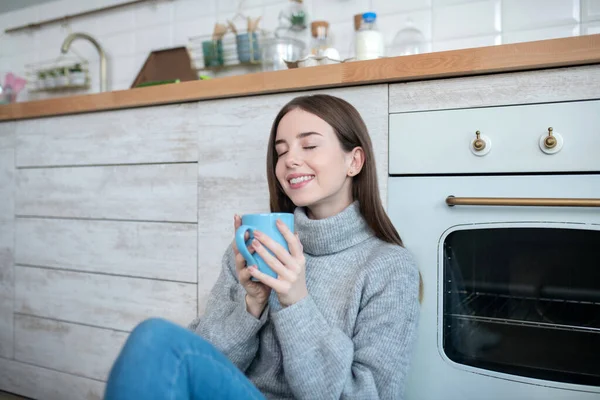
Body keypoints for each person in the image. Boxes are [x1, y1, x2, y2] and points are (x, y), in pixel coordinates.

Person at [104, 94, 422, 400]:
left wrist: (296, 301)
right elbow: (202, 363)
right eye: (281, 152)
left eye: (309, 145)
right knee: (157, 342)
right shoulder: (254, 245)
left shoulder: (389, 266)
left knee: (155, 338)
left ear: (354, 161)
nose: (290, 161)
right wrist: (252, 305)